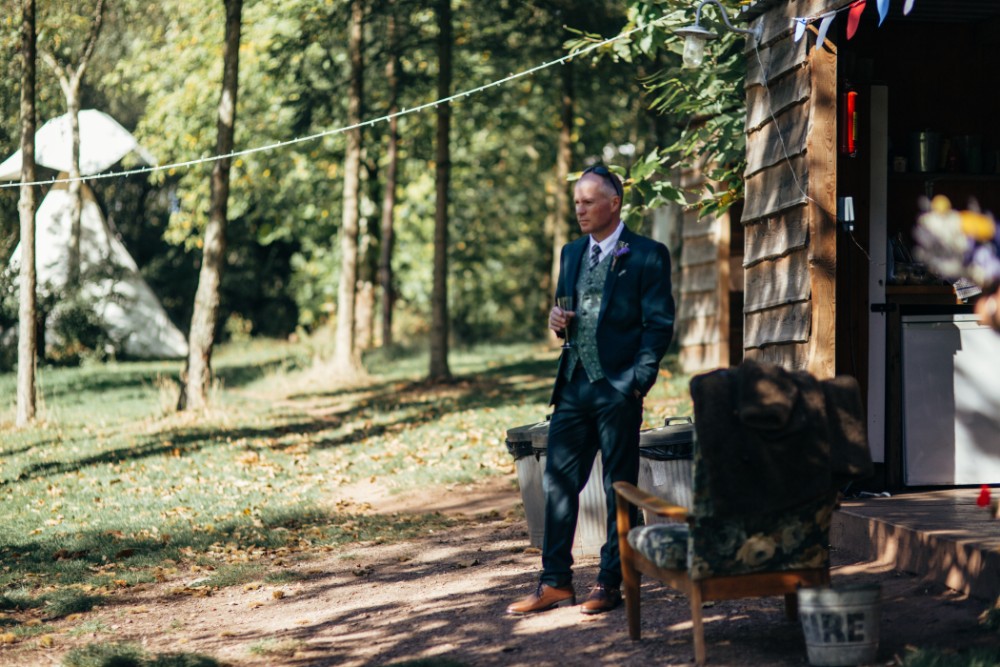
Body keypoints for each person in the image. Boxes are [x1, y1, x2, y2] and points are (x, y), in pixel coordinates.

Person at [507, 165, 675, 615]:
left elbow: (658, 326)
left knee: (617, 486)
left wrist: (635, 383)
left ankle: (611, 581)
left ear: (614, 203)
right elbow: (568, 316)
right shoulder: (570, 252)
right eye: (576, 201)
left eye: (588, 201)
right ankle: (556, 582)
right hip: (574, 385)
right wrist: (556, 322)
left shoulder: (647, 254)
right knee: (557, 481)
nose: (579, 208)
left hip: (618, 388)